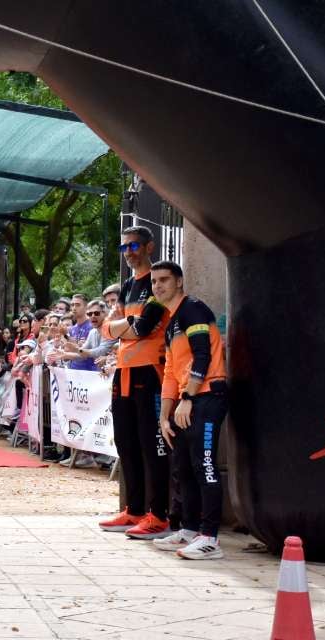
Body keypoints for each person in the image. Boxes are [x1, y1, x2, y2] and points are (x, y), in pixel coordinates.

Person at [97, 226, 173, 539]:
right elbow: (104, 328)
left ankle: (159, 515)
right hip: (124, 371)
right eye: (124, 247)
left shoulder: (157, 283)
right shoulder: (127, 285)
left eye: (135, 246)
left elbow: (143, 329)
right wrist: (125, 325)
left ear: (149, 247)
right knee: (126, 442)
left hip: (150, 371)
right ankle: (135, 509)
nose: (129, 252)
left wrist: (123, 327)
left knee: (151, 444)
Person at [150, 262, 229, 559]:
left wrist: (188, 398)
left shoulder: (193, 309)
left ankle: (210, 539)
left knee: (204, 466)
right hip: (188, 401)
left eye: (164, 280)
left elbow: (203, 355)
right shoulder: (171, 322)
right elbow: (170, 371)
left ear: (179, 281)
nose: (158, 286)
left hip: (207, 397)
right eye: (154, 281)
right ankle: (190, 529)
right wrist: (163, 416)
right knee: (183, 467)